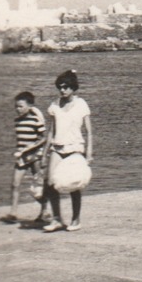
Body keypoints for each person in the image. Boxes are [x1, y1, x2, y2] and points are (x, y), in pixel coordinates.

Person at [41, 70, 93, 232]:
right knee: (50, 184)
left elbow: (89, 131)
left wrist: (89, 153)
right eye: (60, 87)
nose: (62, 90)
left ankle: (75, 219)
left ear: (73, 88)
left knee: (74, 184)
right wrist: (44, 154)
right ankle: (57, 219)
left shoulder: (81, 104)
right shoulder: (55, 106)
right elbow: (51, 132)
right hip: (58, 147)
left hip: (75, 148)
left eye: (66, 87)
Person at [6, 90, 50, 225]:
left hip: (35, 156)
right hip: (22, 156)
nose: (18, 109)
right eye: (16, 106)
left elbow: (43, 138)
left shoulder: (36, 119)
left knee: (38, 186)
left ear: (29, 106)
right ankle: (13, 213)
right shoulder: (17, 121)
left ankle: (44, 211)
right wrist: (21, 150)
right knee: (15, 184)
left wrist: (31, 150)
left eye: (21, 106)